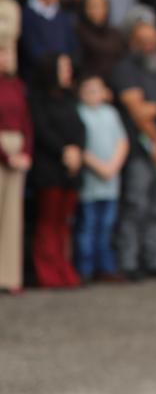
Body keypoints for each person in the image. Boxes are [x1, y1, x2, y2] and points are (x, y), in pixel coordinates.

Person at [110, 20, 156, 280]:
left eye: (153, 41)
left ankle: (155, 259)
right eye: (144, 41)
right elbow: (138, 112)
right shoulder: (126, 70)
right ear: (133, 42)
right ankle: (129, 261)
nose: (150, 46)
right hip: (141, 150)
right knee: (135, 206)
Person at [29, 53, 85, 288]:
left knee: (64, 223)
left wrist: (77, 150)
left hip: (70, 170)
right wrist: (63, 151)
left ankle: (64, 267)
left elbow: (80, 128)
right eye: (62, 67)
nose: (67, 72)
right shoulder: (39, 99)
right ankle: (47, 271)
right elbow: (42, 130)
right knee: (48, 223)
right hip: (50, 166)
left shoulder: (70, 98)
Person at [75, 74, 128, 282]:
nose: (94, 95)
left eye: (97, 90)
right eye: (89, 90)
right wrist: (100, 167)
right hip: (91, 182)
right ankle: (84, 269)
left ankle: (105, 268)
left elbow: (122, 141)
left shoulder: (110, 113)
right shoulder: (79, 114)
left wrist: (112, 166)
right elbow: (81, 147)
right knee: (87, 226)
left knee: (107, 226)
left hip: (111, 181)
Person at [0, 44, 31, 294]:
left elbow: (26, 121)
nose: (6, 59)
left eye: (9, 54)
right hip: (3, 150)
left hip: (17, 149)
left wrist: (26, 152)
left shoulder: (17, 85)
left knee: (12, 216)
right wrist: (5, 156)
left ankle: (9, 276)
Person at [19, 0, 78, 83]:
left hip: (63, 81)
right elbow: (32, 51)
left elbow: (73, 47)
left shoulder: (65, 16)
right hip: (36, 83)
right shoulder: (25, 14)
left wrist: (67, 66)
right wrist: (56, 64)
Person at [75, 0, 125, 84]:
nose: (97, 10)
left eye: (102, 5)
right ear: (84, 8)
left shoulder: (116, 34)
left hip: (117, 84)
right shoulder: (77, 33)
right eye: (92, 6)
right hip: (90, 86)